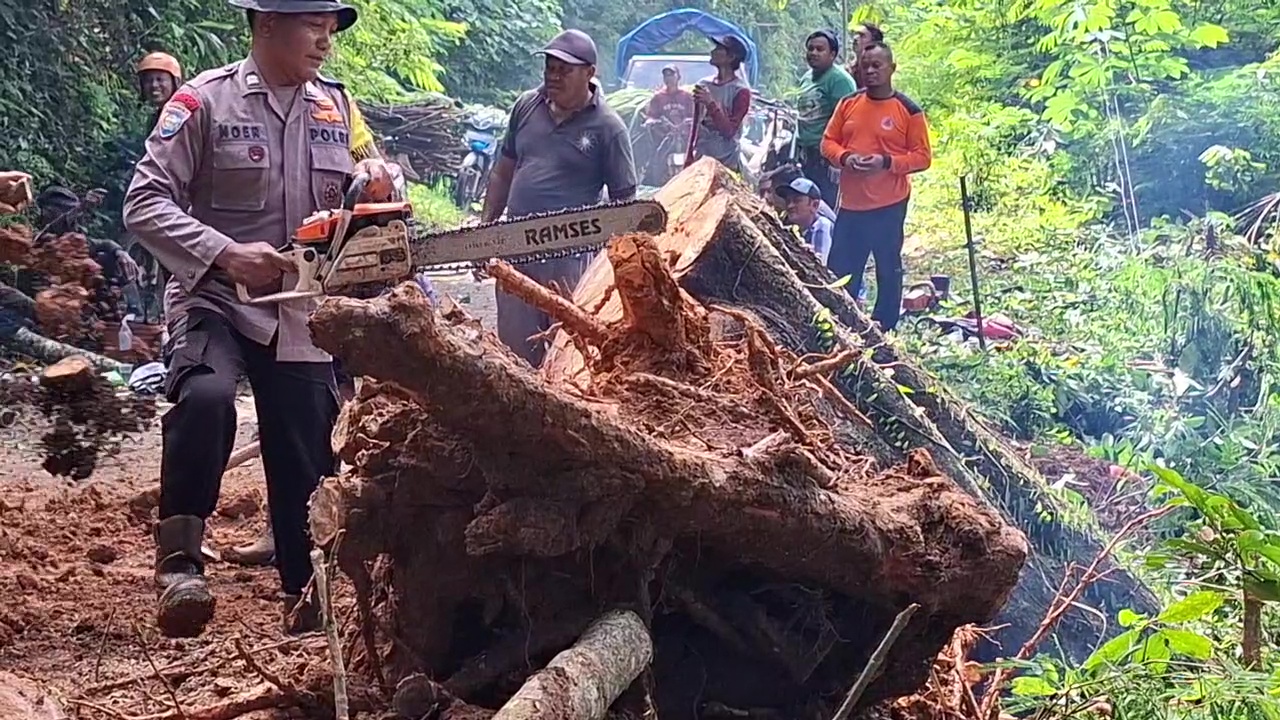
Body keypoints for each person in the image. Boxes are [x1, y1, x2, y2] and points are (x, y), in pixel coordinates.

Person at [123, 0, 397, 639]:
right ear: (267, 25)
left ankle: (308, 597)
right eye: (313, 29)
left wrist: (381, 179)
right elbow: (143, 202)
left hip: (298, 308)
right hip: (213, 296)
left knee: (306, 442)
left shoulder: (337, 106)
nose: (325, 44)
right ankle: (180, 563)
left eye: (330, 32)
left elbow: (373, 166)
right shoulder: (203, 103)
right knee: (207, 395)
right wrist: (224, 252)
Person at [480, 29, 637, 367]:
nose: (554, 75)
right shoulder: (527, 105)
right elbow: (503, 172)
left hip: (568, 253)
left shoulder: (609, 128)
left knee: (565, 347)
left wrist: (605, 254)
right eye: (550, 67)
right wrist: (486, 231)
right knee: (514, 351)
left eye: (564, 69)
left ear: (589, 73)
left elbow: (624, 202)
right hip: (516, 246)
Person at [820, 41, 931, 332]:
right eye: (864, 66)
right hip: (851, 204)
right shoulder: (848, 104)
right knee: (842, 268)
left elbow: (922, 158)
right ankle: (839, 322)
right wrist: (846, 157)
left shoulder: (908, 110)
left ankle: (884, 327)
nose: (869, 71)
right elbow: (827, 143)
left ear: (891, 68)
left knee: (887, 266)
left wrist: (885, 162)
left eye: (876, 66)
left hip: (889, 204)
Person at [37, 186, 143, 316]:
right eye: (67, 213)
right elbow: (53, 227)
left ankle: (134, 315)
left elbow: (103, 243)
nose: (73, 221)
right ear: (48, 213)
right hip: (49, 301)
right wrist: (82, 207)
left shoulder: (74, 241)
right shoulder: (41, 241)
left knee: (109, 258)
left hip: (84, 301)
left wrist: (121, 253)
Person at [796, 30, 856, 208]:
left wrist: (837, 160)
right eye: (810, 48)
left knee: (824, 207)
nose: (813, 53)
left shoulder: (839, 80)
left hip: (827, 159)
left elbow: (848, 121)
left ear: (832, 54)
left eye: (819, 49)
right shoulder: (806, 78)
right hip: (807, 155)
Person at [690, 36, 752, 173]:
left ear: (731, 57)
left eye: (719, 49)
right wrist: (689, 156)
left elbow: (729, 131)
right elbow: (696, 126)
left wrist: (710, 103)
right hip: (701, 158)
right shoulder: (703, 85)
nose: (713, 52)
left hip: (726, 162)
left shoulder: (740, 91)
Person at [775, 177, 832, 264]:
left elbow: (820, 264)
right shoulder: (798, 230)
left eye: (797, 200)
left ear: (814, 205)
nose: (790, 206)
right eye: (788, 201)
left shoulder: (821, 226)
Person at [846, 23, 884, 88]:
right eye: (856, 34)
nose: (855, 38)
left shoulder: (880, 72)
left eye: (862, 36)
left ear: (873, 43)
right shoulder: (847, 71)